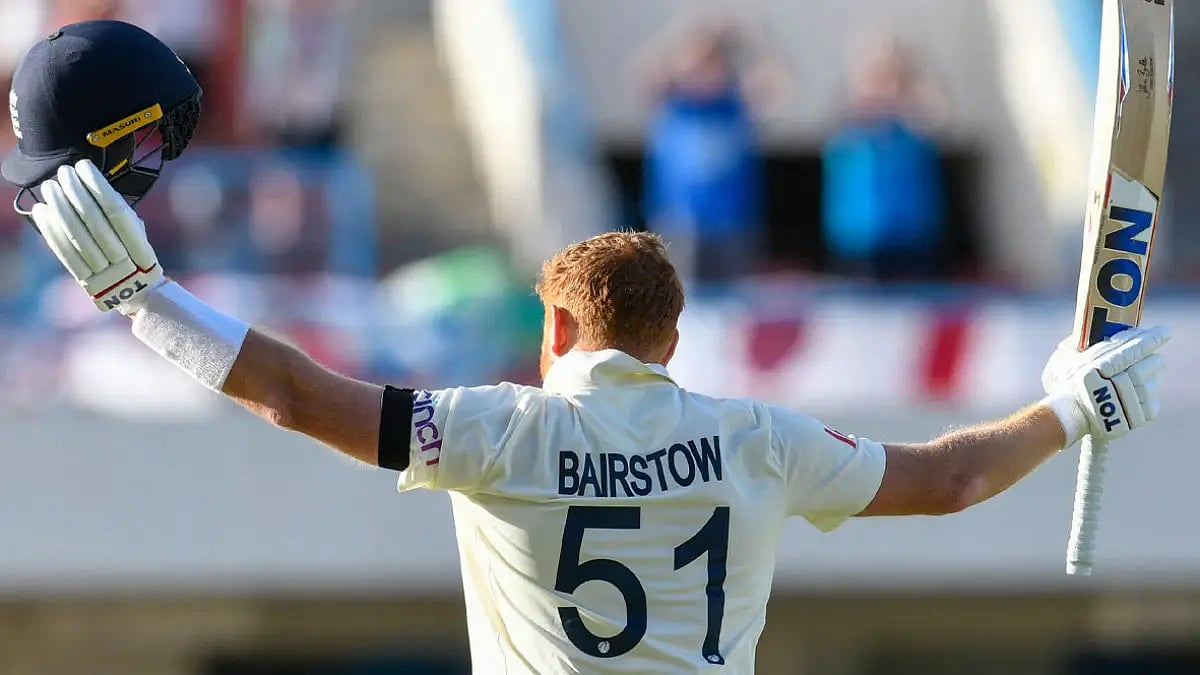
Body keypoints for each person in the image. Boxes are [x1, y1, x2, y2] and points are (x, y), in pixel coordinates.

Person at [6, 20, 1170, 675]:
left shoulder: (496, 429)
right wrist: (1070, 406)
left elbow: (291, 396)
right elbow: (952, 477)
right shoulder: (756, 439)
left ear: (554, 329)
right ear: (675, 338)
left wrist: (142, 301)